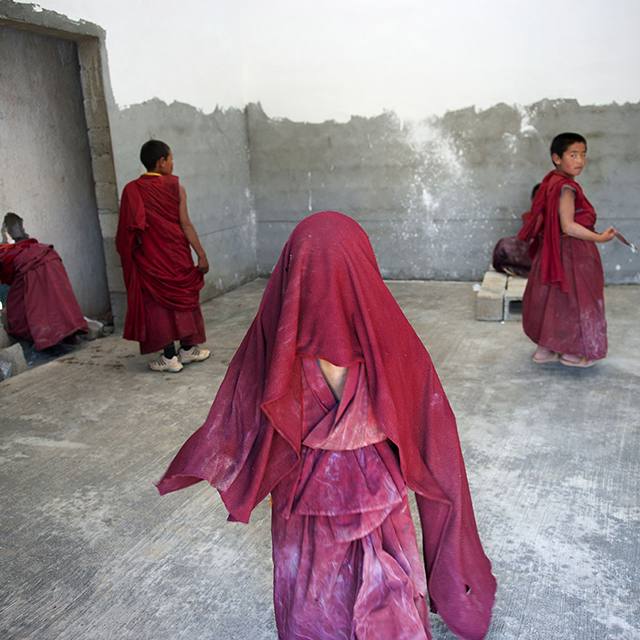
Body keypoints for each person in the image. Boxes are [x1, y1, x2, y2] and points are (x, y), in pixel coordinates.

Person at [156, 212, 496, 640]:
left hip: (301, 502)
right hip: (379, 500)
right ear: (363, 264)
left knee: (310, 598)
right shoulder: (393, 341)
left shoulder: (274, 344)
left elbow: (240, 417)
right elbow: (432, 430)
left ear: (291, 268)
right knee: (389, 595)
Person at [518, 133, 616, 367]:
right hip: (571, 253)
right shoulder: (566, 187)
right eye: (573, 154)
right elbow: (569, 225)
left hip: (552, 250)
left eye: (583, 155)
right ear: (557, 158)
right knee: (578, 301)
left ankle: (545, 349)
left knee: (553, 298)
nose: (580, 160)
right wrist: (600, 238)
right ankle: (572, 353)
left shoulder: (551, 181)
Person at [117, 140, 211, 373]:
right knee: (183, 299)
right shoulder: (176, 187)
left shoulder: (132, 190)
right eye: (170, 158)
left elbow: (128, 232)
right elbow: (185, 224)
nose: (172, 163)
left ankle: (171, 356)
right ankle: (187, 348)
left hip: (152, 257)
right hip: (177, 253)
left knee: (159, 304)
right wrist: (201, 254)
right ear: (161, 162)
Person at [0, 213, 88, 350]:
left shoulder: (14, 252)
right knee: (53, 299)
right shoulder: (39, 250)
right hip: (38, 271)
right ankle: (64, 330)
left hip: (36, 274)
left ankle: (49, 336)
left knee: (37, 303)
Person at [491, 183, 541, 276]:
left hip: (549, 250)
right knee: (504, 244)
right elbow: (529, 235)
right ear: (532, 199)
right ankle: (514, 267)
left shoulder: (559, 215)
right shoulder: (527, 215)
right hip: (532, 248)